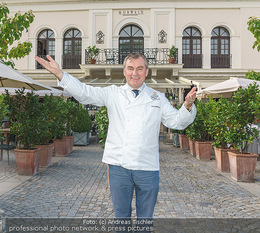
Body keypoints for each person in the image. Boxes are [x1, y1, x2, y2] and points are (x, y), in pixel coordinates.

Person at [35, 53, 196, 223]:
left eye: (140, 69)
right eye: (131, 68)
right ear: (124, 72)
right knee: (121, 217)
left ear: (146, 72)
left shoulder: (158, 97)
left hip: (148, 167)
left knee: (146, 219)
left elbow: (177, 122)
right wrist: (60, 74)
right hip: (119, 167)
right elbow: (84, 92)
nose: (135, 73)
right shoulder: (113, 93)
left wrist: (187, 105)